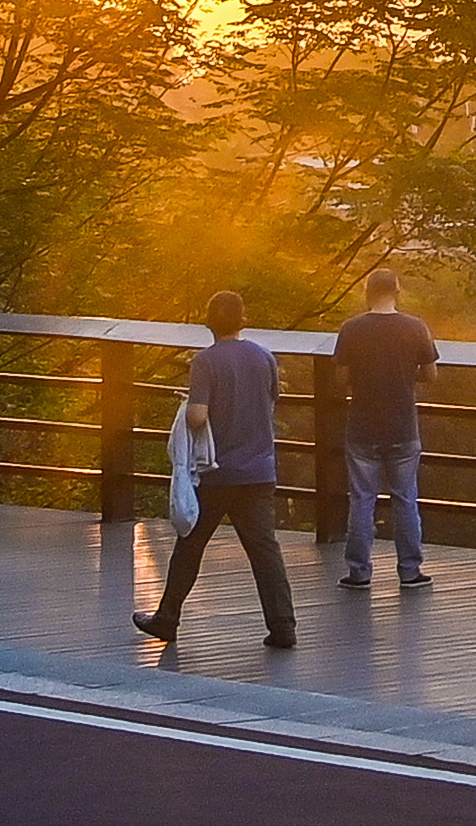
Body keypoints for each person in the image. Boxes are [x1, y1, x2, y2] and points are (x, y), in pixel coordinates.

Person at [134, 291, 298, 648]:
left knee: (190, 542)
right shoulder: (265, 357)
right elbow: (272, 401)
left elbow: (198, 416)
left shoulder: (205, 362)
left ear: (209, 321)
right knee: (264, 551)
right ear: (244, 319)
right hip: (259, 470)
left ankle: (167, 618)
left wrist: (186, 409)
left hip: (218, 472)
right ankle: (283, 625)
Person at [333, 267, 440, 590]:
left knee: (362, 499)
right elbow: (431, 374)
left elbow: (341, 379)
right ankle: (409, 570)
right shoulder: (415, 327)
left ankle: (359, 571)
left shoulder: (351, 329)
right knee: (405, 498)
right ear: (397, 292)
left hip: (362, 426)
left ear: (367, 292)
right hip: (403, 426)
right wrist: (407, 375)